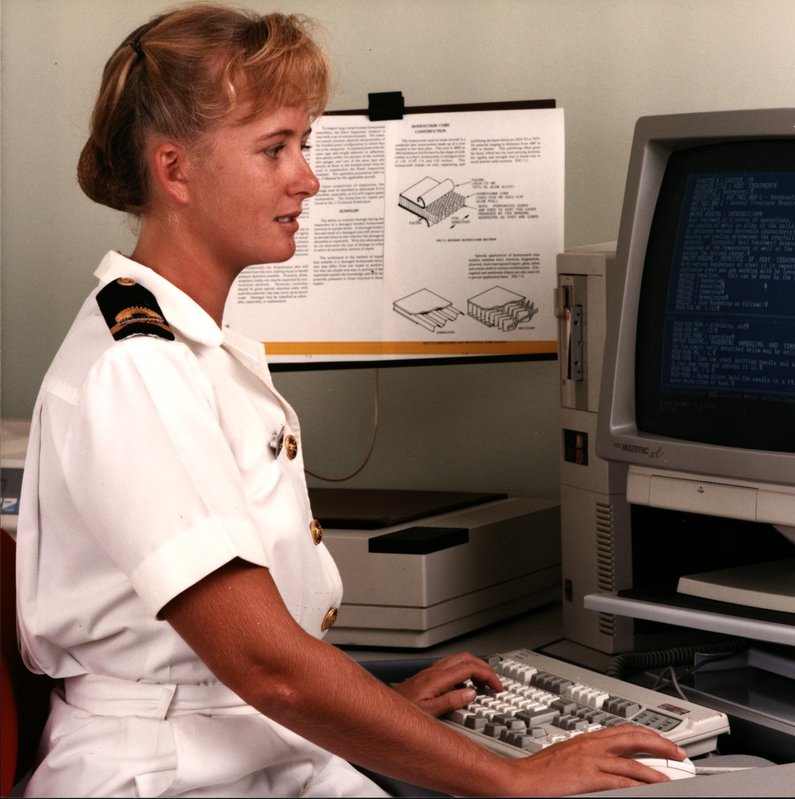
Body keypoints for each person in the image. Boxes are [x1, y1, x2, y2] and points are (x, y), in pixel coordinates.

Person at [14, 4, 688, 796]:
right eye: (275, 149)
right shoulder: (138, 368)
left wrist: (384, 705)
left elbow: (262, 674)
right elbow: (268, 665)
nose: (309, 177)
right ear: (175, 171)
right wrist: (515, 778)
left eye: (304, 144)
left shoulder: (191, 348)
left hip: (244, 745)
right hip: (166, 775)